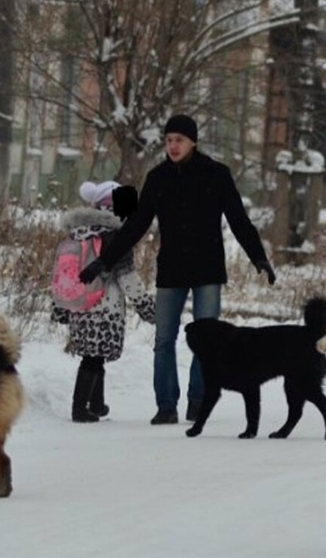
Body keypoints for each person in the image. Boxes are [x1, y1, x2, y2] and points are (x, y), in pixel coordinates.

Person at [79, 114, 275, 425]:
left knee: (208, 340)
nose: (172, 146)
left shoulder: (216, 174)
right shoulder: (158, 178)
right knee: (163, 340)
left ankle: (198, 401)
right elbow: (137, 224)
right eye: (169, 140)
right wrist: (105, 260)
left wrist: (258, 257)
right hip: (171, 269)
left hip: (208, 269)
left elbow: (238, 219)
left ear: (193, 142)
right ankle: (166, 405)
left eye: (179, 140)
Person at [53, 180, 156, 422]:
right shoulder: (116, 237)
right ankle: (79, 409)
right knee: (92, 359)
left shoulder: (77, 233)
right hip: (105, 307)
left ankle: (97, 404)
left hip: (79, 305)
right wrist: (146, 307)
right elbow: (128, 278)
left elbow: (62, 273)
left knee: (94, 356)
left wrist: (60, 307)